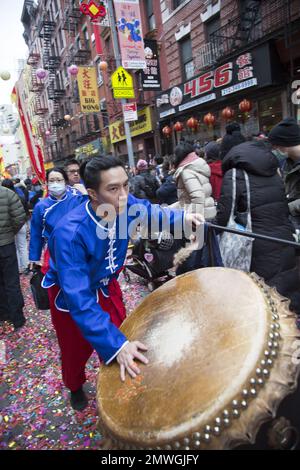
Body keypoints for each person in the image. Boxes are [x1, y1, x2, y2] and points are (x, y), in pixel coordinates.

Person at [43, 156, 202, 410]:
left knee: (123, 337)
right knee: (75, 349)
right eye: (113, 189)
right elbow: (79, 300)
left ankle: (123, 386)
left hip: (106, 285)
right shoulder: (69, 233)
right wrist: (116, 345)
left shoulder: (125, 205)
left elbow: (151, 212)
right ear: (93, 193)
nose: (124, 195)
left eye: (126, 185)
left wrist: (183, 219)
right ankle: (74, 385)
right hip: (70, 297)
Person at [217, 140, 300, 313]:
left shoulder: (234, 173)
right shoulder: (274, 171)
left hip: (256, 243)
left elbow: (224, 215)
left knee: (265, 295)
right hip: (283, 235)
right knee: (286, 287)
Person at [29, 168, 87, 273]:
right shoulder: (41, 206)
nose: (55, 183)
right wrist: (34, 257)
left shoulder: (77, 200)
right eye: (51, 181)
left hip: (78, 249)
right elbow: (36, 233)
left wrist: (85, 194)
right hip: (54, 252)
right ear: (46, 183)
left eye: (59, 180)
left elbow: (93, 216)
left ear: (65, 182)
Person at [0, 184, 27, 329]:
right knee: (12, 281)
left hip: (6, 241)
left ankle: (3, 314)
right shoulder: (8, 193)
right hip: (7, 245)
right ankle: (17, 317)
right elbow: (19, 217)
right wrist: (10, 233)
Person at [268, 118, 300, 228]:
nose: (274, 149)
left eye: (275, 145)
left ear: (284, 144)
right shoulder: (287, 162)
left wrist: (287, 207)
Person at [172, 141, 216, 219]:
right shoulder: (196, 166)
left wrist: (190, 219)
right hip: (207, 212)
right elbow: (185, 201)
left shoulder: (186, 171)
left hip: (199, 218)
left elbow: (198, 198)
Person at [1, 179, 30, 275]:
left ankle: (18, 268)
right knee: (22, 245)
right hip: (20, 224)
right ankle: (26, 266)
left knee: (15, 247)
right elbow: (22, 213)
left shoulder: (5, 195)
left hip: (8, 229)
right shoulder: (18, 195)